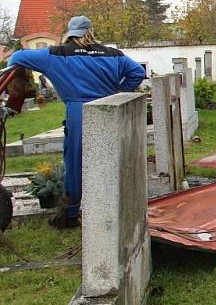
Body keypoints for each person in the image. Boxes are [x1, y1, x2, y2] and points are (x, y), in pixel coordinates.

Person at [9, 16, 145, 228]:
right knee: (110, 158)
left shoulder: (57, 54)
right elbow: (137, 72)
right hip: (109, 110)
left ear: (70, 32)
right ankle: (111, 208)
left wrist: (18, 82)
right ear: (91, 31)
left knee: (75, 163)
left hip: (78, 113)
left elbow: (18, 56)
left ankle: (70, 213)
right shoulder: (113, 54)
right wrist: (119, 93)